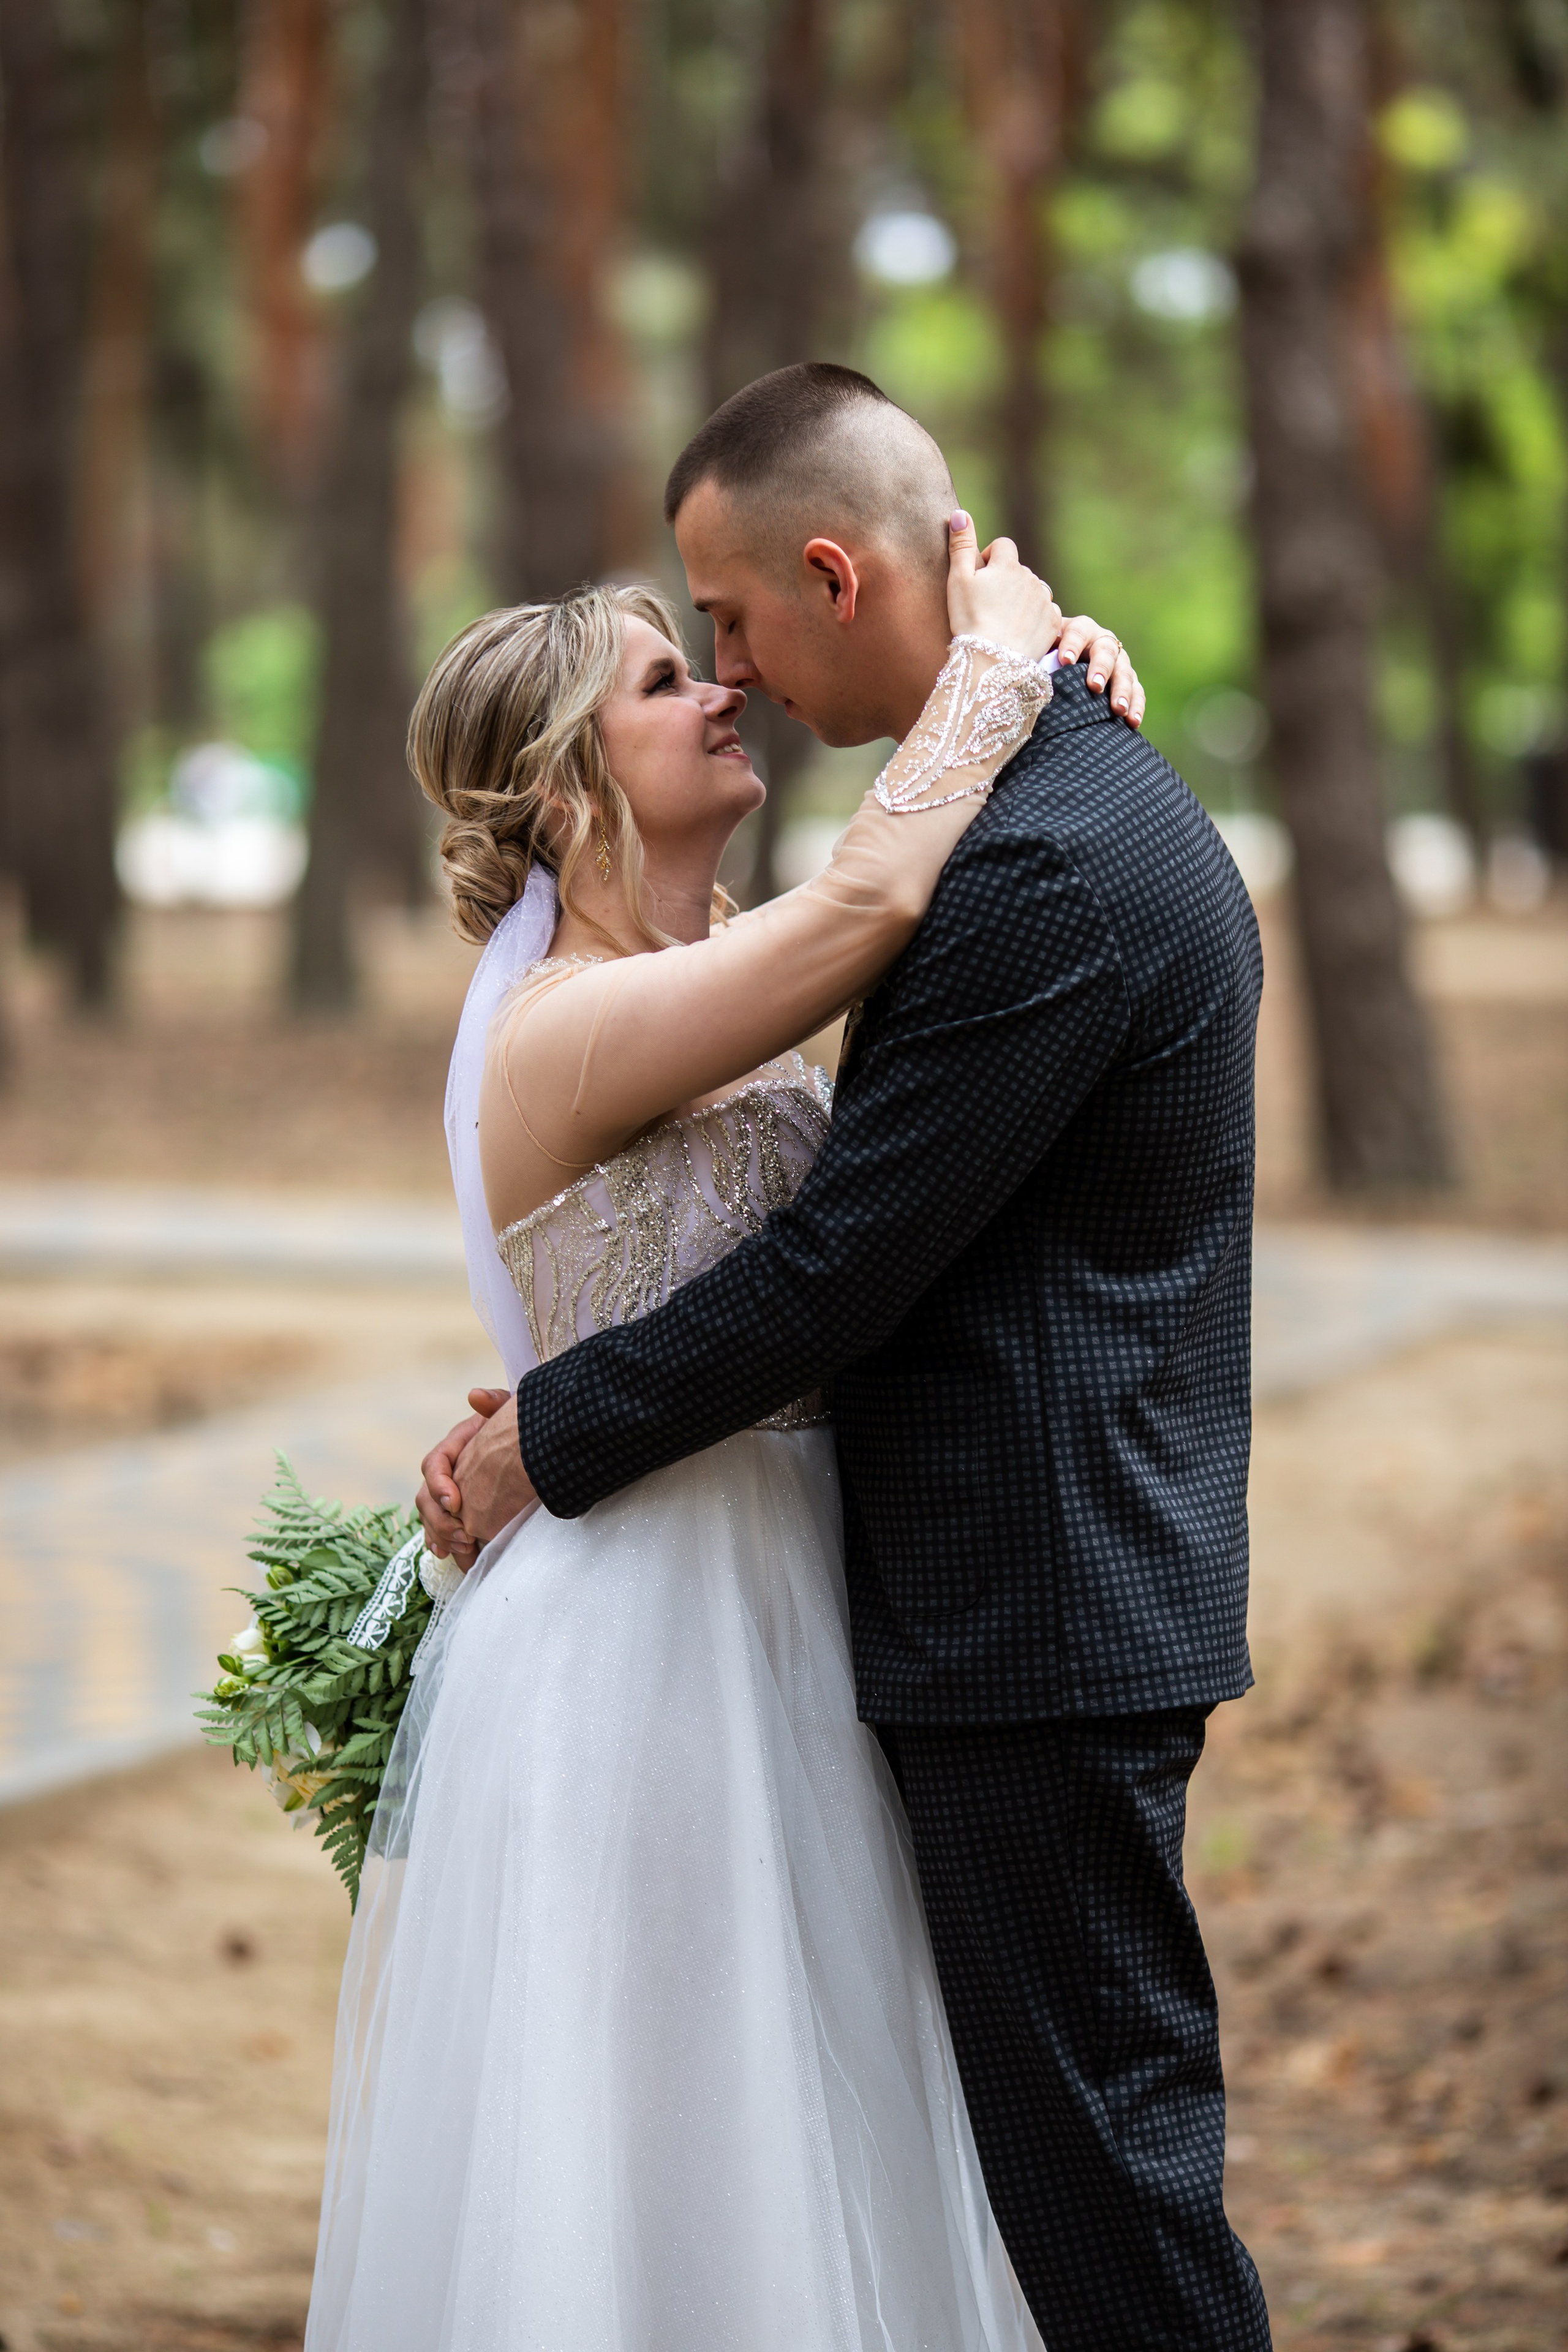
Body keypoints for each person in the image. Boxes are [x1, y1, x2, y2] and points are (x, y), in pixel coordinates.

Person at [420, 362, 1273, 2352]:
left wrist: (552, 1426)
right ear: (566, 790)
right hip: (744, 1630)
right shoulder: (651, 987)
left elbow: (832, 1269)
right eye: (675, 666)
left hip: (996, 1614)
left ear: (828, 567)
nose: (727, 677)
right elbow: (863, 950)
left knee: (1072, 2176)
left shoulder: (1034, 857)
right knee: (732, 2152)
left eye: (724, 625)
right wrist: (1009, 655)